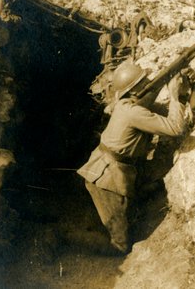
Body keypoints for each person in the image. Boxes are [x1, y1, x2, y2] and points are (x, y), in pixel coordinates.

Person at [77, 60, 187, 254]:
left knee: (129, 211)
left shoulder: (123, 104)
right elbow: (176, 128)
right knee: (120, 240)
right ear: (134, 91)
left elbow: (145, 100)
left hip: (116, 168)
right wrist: (174, 95)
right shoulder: (133, 112)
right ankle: (89, 247)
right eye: (144, 83)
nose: (148, 84)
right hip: (106, 180)